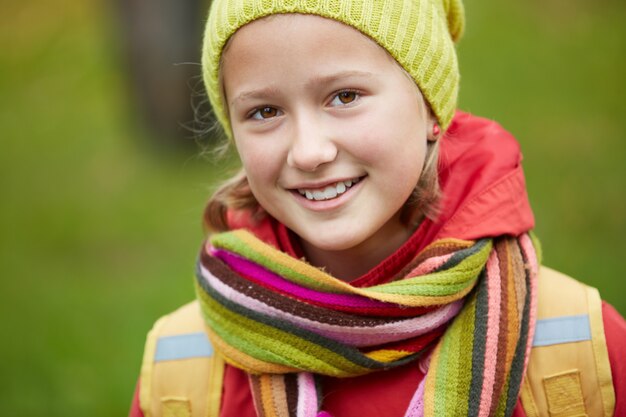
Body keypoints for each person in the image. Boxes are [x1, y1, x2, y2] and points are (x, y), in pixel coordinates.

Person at [129, 1, 626, 416]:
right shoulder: (185, 373)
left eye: (344, 96)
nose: (308, 151)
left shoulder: (578, 348)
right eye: (264, 111)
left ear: (430, 107)